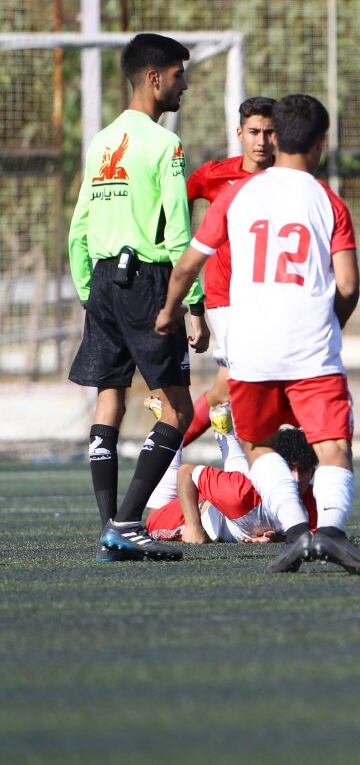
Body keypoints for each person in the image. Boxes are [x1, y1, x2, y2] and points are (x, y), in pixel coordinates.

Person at [155, 93, 360, 575]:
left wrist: (171, 311)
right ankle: (331, 534)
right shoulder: (329, 202)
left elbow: (188, 265)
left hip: (251, 348)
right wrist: (333, 326)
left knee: (257, 444)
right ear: (321, 142)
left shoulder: (237, 195)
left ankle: (297, 534)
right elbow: (348, 286)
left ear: (275, 138)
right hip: (312, 348)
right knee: (333, 444)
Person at [67, 32, 208, 563]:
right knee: (179, 408)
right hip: (147, 281)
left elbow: (79, 229)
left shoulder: (101, 142)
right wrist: (193, 303)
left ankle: (110, 528)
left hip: (103, 280)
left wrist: (90, 289)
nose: (184, 84)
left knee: (110, 398)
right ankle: (127, 523)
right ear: (154, 78)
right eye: (178, 74)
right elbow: (178, 234)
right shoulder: (165, 144)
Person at [167, 95, 278, 446]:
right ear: (240, 133)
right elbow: (178, 204)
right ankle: (252, 466)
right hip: (224, 295)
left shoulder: (287, 179)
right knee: (246, 380)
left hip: (271, 296)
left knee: (224, 388)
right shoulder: (215, 174)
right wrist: (175, 245)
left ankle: (166, 450)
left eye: (269, 132)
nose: (262, 141)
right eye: (254, 132)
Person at [146, 427, 318, 545]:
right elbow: (186, 472)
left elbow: (314, 536)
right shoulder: (240, 494)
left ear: (312, 472)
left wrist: (279, 538)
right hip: (203, 510)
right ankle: (171, 431)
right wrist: (193, 525)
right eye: (289, 468)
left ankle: (225, 429)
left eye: (303, 470)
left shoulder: (317, 502)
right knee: (152, 522)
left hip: (235, 500)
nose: (296, 479)